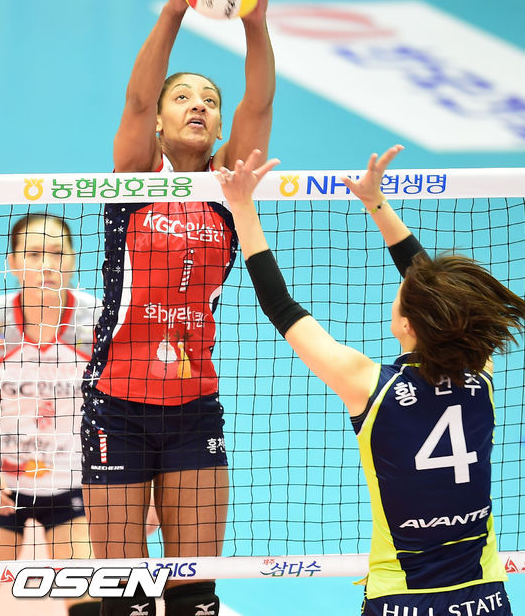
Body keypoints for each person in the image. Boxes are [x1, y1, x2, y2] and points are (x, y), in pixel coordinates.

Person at [216, 146, 525, 616]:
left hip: (400, 600)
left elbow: (281, 306)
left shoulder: (370, 387)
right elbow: (440, 295)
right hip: (484, 598)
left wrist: (241, 207)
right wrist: (376, 204)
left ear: (407, 325)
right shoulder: (479, 373)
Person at [81, 0, 275, 616]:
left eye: (209, 101)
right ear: (161, 125)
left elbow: (259, 108)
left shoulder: (229, 189)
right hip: (117, 403)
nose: (199, 105)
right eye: (183, 98)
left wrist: (255, 23)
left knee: (196, 595)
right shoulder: (136, 178)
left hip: (195, 409)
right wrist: (173, 11)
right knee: (126, 598)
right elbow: (135, 104)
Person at [0, 212, 100, 616]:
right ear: (12, 262)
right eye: (34, 253)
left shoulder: (100, 321)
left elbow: (129, 411)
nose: (47, 264)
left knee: (90, 602)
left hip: (75, 483)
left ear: (72, 259)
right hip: (2, 485)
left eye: (57, 253)